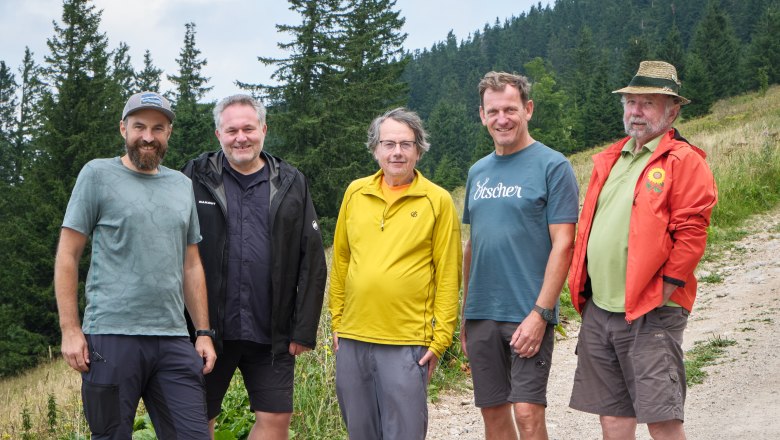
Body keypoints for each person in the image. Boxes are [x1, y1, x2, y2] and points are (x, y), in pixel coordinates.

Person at [568, 61, 717, 440]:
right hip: (601, 308)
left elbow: (691, 233)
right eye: (631, 102)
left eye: (648, 103)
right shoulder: (611, 157)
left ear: (672, 111)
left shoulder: (683, 160)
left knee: (662, 420)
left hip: (652, 310)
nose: (636, 111)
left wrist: (663, 290)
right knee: (613, 418)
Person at [54, 91, 216, 439]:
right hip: (111, 337)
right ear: (123, 129)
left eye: (158, 128)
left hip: (173, 338)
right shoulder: (97, 174)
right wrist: (70, 329)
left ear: (168, 133)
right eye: (139, 126)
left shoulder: (181, 185)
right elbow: (68, 254)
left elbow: (191, 264)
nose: (148, 136)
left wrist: (203, 332)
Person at [181, 94, 327, 439]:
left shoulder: (291, 181)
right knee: (196, 421)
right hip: (206, 330)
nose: (241, 137)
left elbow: (312, 257)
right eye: (232, 130)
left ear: (264, 129)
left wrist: (303, 329)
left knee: (276, 422)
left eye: (248, 128)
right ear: (218, 134)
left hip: (271, 331)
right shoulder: (194, 176)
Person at [328, 107, 462, 439]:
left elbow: (448, 274)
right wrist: (337, 320)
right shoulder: (355, 192)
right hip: (353, 337)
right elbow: (341, 259)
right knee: (360, 431)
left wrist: (441, 339)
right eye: (388, 144)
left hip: (407, 339)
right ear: (376, 149)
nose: (397, 152)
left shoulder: (437, 200)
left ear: (419, 150)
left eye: (406, 144)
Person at [461, 71, 579, 440]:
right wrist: (465, 314)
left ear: (527, 109)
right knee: (494, 415)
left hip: (528, 311)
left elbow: (564, 244)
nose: (502, 119)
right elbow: (473, 245)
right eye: (493, 111)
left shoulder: (553, 166)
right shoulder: (477, 172)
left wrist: (541, 314)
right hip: (481, 314)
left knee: (527, 413)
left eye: (510, 109)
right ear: (482, 115)